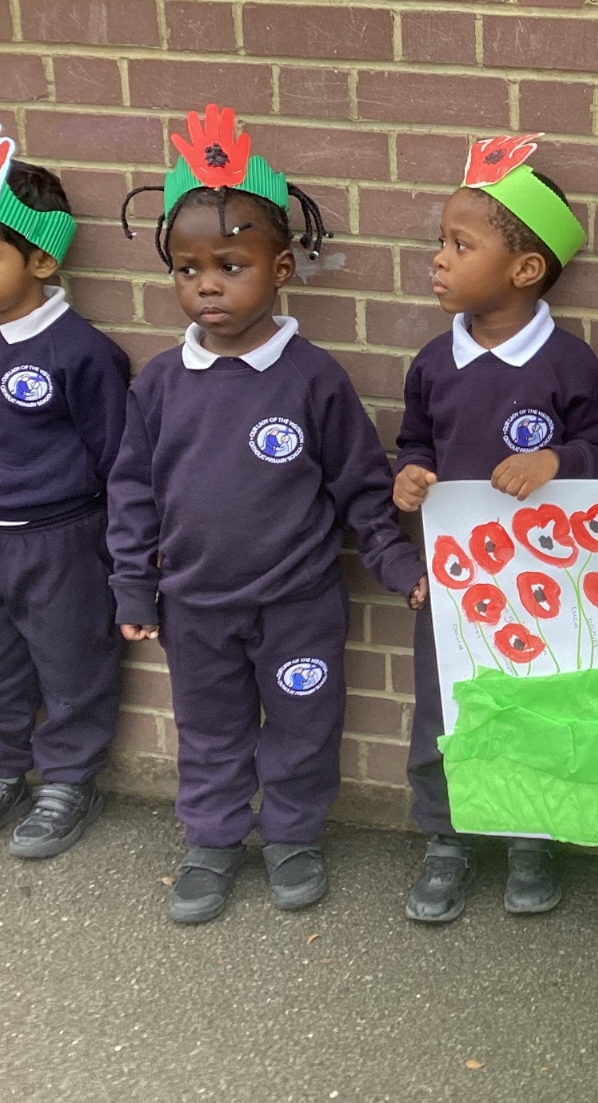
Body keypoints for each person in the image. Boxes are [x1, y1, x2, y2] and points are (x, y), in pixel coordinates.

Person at [107, 104, 426, 922]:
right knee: (209, 730)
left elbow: (360, 485)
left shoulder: (313, 378)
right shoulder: (160, 384)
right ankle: (212, 842)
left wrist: (396, 564)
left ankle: (291, 835)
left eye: (230, 265)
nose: (207, 284)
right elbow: (133, 488)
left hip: (297, 605)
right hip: (196, 606)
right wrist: (134, 585)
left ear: (280, 267)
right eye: (186, 269)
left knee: (302, 724)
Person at [393, 134, 598, 925]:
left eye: (461, 245)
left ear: (525, 270)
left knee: (535, 707)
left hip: (544, 586)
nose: (439, 258)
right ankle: (447, 838)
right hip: (455, 584)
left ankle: (532, 836)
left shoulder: (568, 364)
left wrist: (557, 460)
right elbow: (415, 444)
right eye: (442, 241)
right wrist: (410, 477)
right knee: (443, 711)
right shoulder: (432, 363)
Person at [0, 120, 128, 860]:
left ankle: (69, 780)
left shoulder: (83, 353)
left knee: (73, 663)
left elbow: (114, 453)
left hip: (64, 539)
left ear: (41, 258)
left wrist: (119, 543)